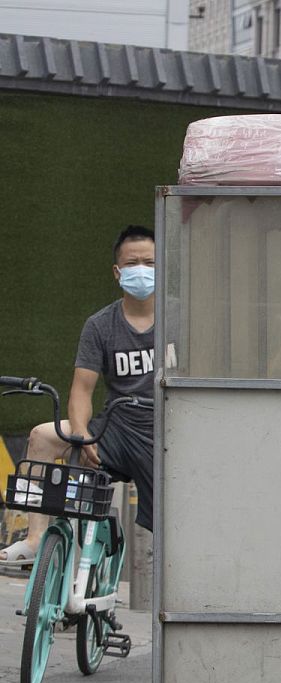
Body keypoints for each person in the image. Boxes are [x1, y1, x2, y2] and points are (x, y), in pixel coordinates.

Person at [2, 226, 156, 566]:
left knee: (173, 527)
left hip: (165, 439)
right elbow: (81, 390)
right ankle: (35, 537)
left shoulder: (183, 320)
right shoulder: (100, 325)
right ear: (118, 272)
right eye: (133, 263)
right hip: (114, 432)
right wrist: (83, 433)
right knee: (42, 437)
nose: (142, 271)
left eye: (150, 262)